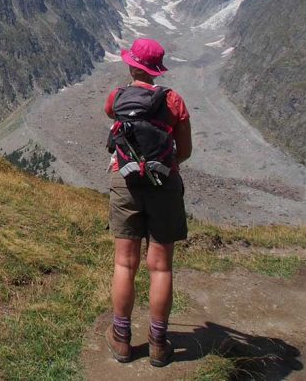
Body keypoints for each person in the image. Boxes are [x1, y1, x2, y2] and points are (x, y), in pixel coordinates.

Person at [104, 38, 192, 367]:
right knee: (161, 266)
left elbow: (111, 115)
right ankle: (158, 343)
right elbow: (184, 151)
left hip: (124, 181)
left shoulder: (117, 97)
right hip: (163, 183)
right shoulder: (174, 102)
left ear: (132, 65)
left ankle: (122, 340)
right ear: (156, 70)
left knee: (125, 264)